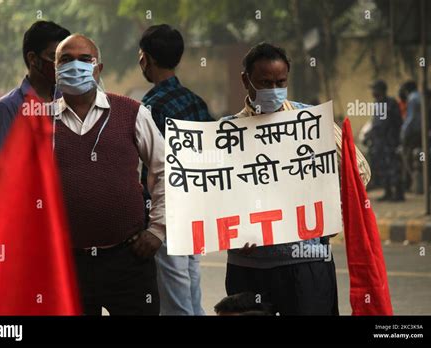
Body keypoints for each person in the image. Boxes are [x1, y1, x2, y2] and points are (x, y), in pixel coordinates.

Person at [222, 42, 371, 315]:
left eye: (280, 82)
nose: (274, 90)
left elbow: (358, 170)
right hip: (248, 268)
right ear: (246, 80)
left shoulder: (311, 122)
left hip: (306, 265)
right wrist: (227, 233)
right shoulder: (226, 133)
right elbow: (212, 194)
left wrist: (332, 213)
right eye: (265, 83)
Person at [53, 34, 165, 315]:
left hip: (129, 258)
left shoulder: (132, 112)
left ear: (98, 68)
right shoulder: (40, 122)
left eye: (84, 60)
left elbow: (165, 170)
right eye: (66, 60)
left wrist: (157, 230)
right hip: (66, 264)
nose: (75, 66)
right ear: (55, 70)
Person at [138, 24, 211, 315]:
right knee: (192, 292)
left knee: (175, 302)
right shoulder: (197, 102)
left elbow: (153, 170)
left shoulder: (151, 107)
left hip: (167, 215)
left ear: (146, 58)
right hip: (197, 213)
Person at [0, 21, 70, 166]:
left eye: (64, 58)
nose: (61, 65)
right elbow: (1, 175)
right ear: (33, 58)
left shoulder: (69, 101)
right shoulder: (7, 108)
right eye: (54, 57)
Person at [367, 80, 404, 201]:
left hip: (390, 141)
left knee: (394, 167)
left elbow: (394, 122)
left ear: (381, 90)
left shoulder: (391, 103)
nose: (373, 92)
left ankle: (398, 194)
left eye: (375, 89)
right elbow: (376, 123)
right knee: (383, 168)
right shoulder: (377, 104)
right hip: (379, 142)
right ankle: (388, 192)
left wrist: (394, 139)